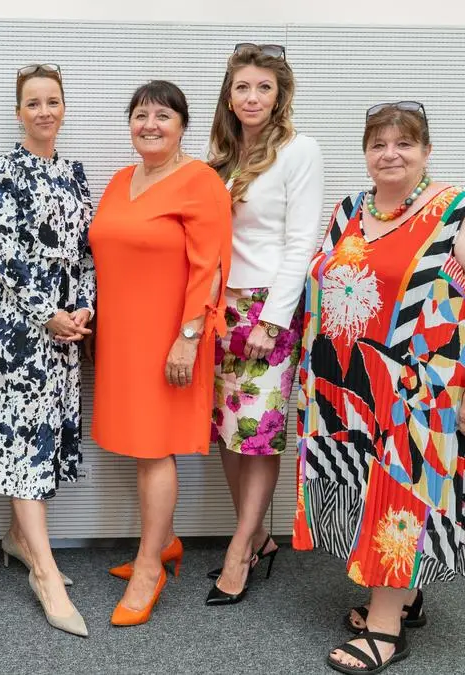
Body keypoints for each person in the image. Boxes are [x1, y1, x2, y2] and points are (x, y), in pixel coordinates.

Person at [294, 102, 465, 674]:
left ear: (426, 151)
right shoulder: (350, 209)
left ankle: (385, 628)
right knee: (366, 493)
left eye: (404, 143)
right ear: (366, 152)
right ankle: (405, 594)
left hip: (424, 393)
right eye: (378, 144)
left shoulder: (461, 212)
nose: (390, 154)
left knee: (400, 496)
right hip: (349, 388)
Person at [89, 80, 232, 626]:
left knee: (155, 448)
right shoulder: (121, 180)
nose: (150, 124)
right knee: (136, 444)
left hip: (171, 337)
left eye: (163, 116)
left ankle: (150, 567)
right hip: (121, 336)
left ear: (182, 126)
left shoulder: (200, 182)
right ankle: (164, 541)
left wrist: (189, 337)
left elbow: (212, 267)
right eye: (140, 115)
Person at [0, 63, 94, 638]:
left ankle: (18, 539)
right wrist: (47, 312)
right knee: (24, 440)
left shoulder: (74, 172)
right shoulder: (2, 169)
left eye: (53, 101)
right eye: (33, 103)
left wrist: (84, 309)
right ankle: (44, 572)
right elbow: (2, 252)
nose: (44, 111)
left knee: (46, 439)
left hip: (68, 329)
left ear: (64, 107)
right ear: (19, 112)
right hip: (23, 329)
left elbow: (87, 254)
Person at [203, 43, 324, 605]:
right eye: (242, 87)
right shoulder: (223, 154)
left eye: (264, 88)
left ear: (280, 96)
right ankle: (258, 536)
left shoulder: (299, 151)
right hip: (221, 306)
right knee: (230, 429)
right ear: (229, 95)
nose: (252, 97)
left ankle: (239, 551)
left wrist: (273, 321)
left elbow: (301, 242)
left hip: (266, 308)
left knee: (257, 434)